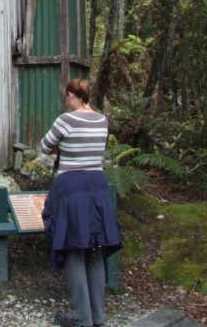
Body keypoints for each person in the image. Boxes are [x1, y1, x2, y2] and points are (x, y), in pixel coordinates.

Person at [40, 78, 122, 327]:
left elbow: (44, 147)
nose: (66, 101)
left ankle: (81, 315)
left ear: (73, 95)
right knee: (95, 248)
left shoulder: (66, 119)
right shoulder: (102, 120)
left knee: (73, 247)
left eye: (67, 96)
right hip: (97, 186)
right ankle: (98, 315)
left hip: (71, 188)